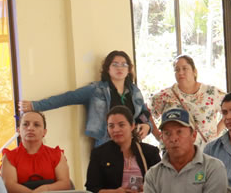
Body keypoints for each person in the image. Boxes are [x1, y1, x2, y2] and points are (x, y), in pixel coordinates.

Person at [20, 50, 152, 146]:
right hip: (106, 143)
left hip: (131, 144)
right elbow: (67, 98)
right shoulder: (95, 90)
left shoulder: (134, 91)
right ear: (107, 69)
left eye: (124, 64)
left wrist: (147, 125)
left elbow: (143, 113)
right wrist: (35, 106)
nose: (120, 68)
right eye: (115, 64)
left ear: (129, 69)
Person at [150, 54, 227, 146]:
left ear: (194, 71)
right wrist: (158, 136)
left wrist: (216, 133)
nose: (180, 72)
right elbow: (146, 112)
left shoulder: (211, 92)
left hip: (206, 151)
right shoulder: (165, 95)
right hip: (175, 151)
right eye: (177, 70)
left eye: (184, 68)